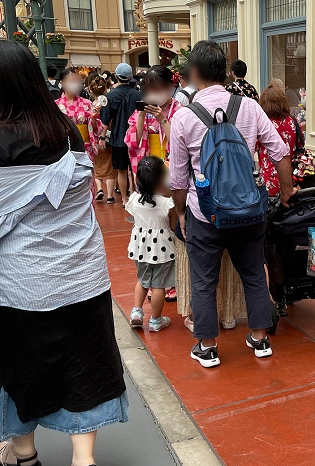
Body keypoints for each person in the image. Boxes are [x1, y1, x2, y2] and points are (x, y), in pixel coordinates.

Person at [0, 40, 127, 466]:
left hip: (15, 290)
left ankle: (22, 455)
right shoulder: (65, 131)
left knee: (16, 365)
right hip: (81, 278)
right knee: (87, 363)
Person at [170, 40, 295, 368]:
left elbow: (179, 180)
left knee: (204, 280)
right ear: (225, 72)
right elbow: (280, 152)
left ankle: (208, 347)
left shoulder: (183, 118)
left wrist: (182, 212)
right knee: (253, 273)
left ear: (194, 73)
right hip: (249, 211)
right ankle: (260, 338)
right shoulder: (249, 107)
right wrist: (284, 192)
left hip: (205, 212)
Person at [127, 156, 174, 332]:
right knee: (159, 285)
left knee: (142, 280)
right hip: (162, 249)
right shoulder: (165, 203)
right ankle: (155, 320)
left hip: (140, 248)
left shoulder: (134, 201)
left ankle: (136, 313)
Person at [124, 65, 181, 175]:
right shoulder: (143, 109)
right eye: (151, 89)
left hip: (171, 165)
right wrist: (141, 115)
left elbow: (180, 143)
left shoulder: (179, 110)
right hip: (148, 168)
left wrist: (163, 120)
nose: (155, 92)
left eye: (159, 88)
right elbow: (133, 143)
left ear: (170, 86)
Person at [100, 63, 141, 204]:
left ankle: (124, 199)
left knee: (121, 171)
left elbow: (105, 120)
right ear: (130, 77)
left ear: (116, 77)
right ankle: (137, 196)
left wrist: (101, 137)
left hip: (118, 138)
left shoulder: (110, 96)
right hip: (137, 137)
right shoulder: (139, 95)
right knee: (136, 170)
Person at [88, 76, 116, 203]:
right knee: (109, 168)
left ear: (90, 91)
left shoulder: (89, 106)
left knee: (97, 166)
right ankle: (110, 195)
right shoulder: (107, 103)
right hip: (108, 136)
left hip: (94, 139)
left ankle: (99, 189)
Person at [56, 69, 94, 157]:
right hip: (64, 146)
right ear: (62, 83)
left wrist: (94, 118)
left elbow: (94, 127)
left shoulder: (87, 103)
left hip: (85, 146)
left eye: (76, 81)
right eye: (71, 81)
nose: (74, 84)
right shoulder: (55, 105)